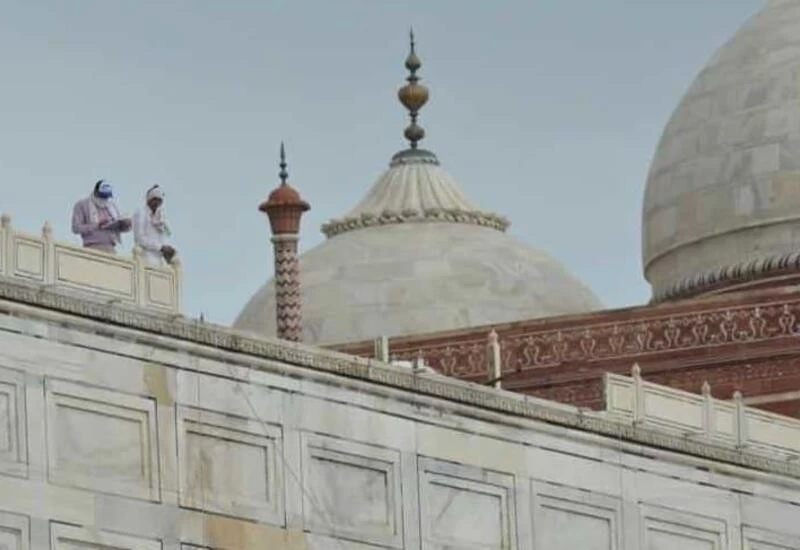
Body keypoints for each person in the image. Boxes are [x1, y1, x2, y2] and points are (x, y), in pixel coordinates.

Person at [71, 180, 132, 254]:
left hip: (111, 248)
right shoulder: (82, 204)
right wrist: (96, 225)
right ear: (95, 192)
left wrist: (126, 225)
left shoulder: (111, 206)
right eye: (102, 196)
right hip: (93, 247)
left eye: (106, 197)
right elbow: (76, 228)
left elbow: (118, 226)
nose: (104, 199)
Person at [133, 184, 176, 266]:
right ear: (149, 200)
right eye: (155, 199)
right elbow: (139, 238)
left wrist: (167, 248)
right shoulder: (141, 213)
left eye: (160, 201)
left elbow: (165, 235)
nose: (157, 203)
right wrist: (160, 247)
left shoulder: (160, 217)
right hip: (145, 257)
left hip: (159, 261)